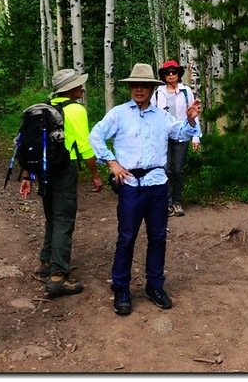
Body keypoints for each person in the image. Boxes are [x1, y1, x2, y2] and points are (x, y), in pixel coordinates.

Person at [89, 63, 201, 316]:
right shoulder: (118, 114)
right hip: (130, 185)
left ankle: (155, 286)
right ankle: (121, 289)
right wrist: (112, 162)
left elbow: (181, 133)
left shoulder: (162, 117)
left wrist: (191, 119)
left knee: (158, 236)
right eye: (135, 85)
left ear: (152, 88)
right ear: (130, 87)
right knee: (127, 237)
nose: (139, 89)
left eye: (144, 85)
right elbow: (95, 136)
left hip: (157, 184)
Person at [19, 69, 104, 296]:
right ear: (71, 89)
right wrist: (95, 174)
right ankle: (58, 276)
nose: (82, 88)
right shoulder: (76, 110)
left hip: (45, 170)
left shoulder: (44, 109)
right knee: (64, 220)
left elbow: (28, 143)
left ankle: (46, 265)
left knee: (52, 218)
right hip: (65, 169)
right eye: (79, 85)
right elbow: (85, 147)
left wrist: (27, 175)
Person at [151, 60, 201, 217]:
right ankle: (167, 203)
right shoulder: (158, 93)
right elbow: (151, 115)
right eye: (168, 72)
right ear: (164, 76)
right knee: (165, 170)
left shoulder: (186, 91)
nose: (171, 75)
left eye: (174, 72)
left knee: (178, 170)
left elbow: (194, 115)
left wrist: (195, 136)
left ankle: (178, 202)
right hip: (163, 137)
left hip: (182, 135)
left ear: (179, 74)